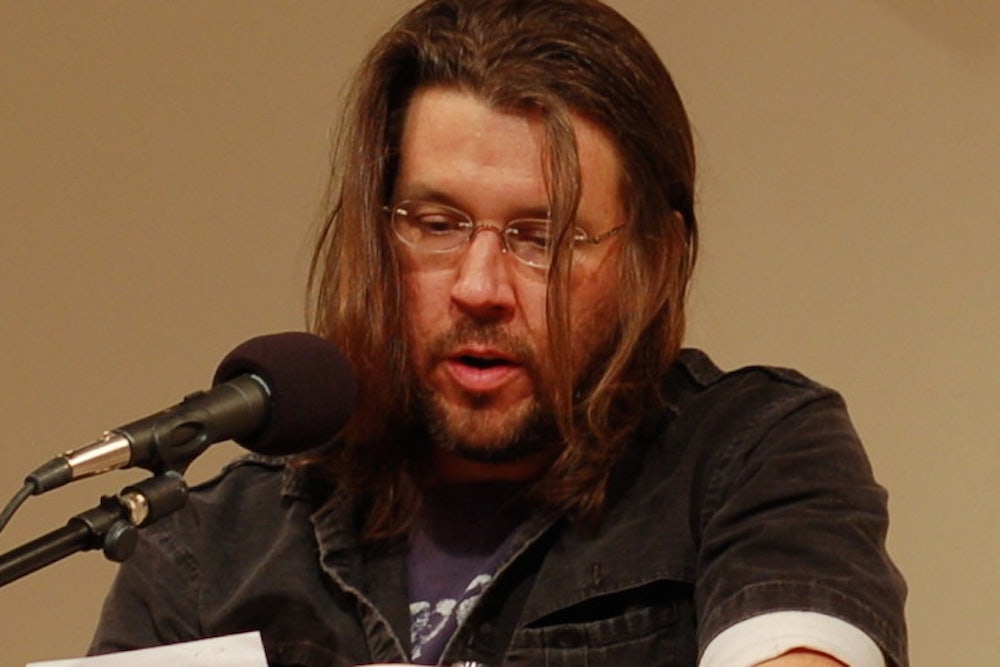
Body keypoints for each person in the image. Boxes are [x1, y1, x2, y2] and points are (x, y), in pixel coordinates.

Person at [88, 1, 908, 665]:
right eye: (437, 224)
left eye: (542, 237)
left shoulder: (752, 456)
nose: (479, 287)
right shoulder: (208, 547)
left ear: (650, 255)